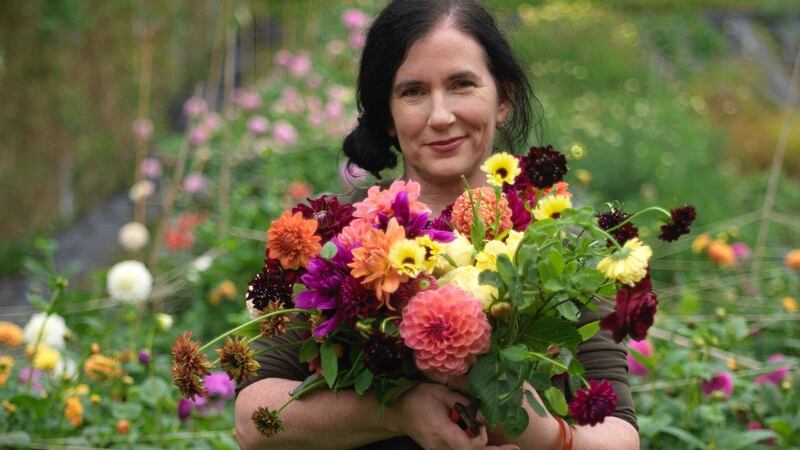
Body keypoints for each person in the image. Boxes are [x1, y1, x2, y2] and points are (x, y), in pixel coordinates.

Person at [235, 1, 640, 449]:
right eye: (413, 92)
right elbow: (253, 419)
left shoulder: (561, 242)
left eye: (462, 84)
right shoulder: (336, 234)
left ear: (503, 97)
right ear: (387, 115)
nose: (441, 115)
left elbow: (618, 436)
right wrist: (397, 411)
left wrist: (538, 431)